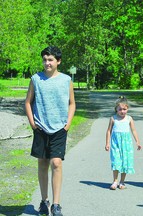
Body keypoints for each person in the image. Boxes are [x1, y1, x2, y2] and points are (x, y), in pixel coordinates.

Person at [25, 46, 76, 216]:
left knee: (56, 162)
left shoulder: (66, 80)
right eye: (45, 59)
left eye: (50, 60)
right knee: (43, 163)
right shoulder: (36, 79)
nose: (47, 63)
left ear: (58, 61)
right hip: (40, 128)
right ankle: (44, 201)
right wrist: (33, 124)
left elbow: (72, 103)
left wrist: (67, 123)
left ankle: (56, 204)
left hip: (59, 128)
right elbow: (28, 102)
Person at [105, 96, 141, 190]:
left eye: (124, 109)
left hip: (126, 145)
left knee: (125, 162)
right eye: (120, 109)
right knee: (116, 162)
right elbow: (109, 131)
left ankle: (122, 181)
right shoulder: (113, 119)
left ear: (127, 109)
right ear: (116, 109)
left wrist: (137, 141)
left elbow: (133, 130)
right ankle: (115, 181)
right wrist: (107, 143)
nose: (122, 111)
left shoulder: (129, 119)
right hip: (115, 144)